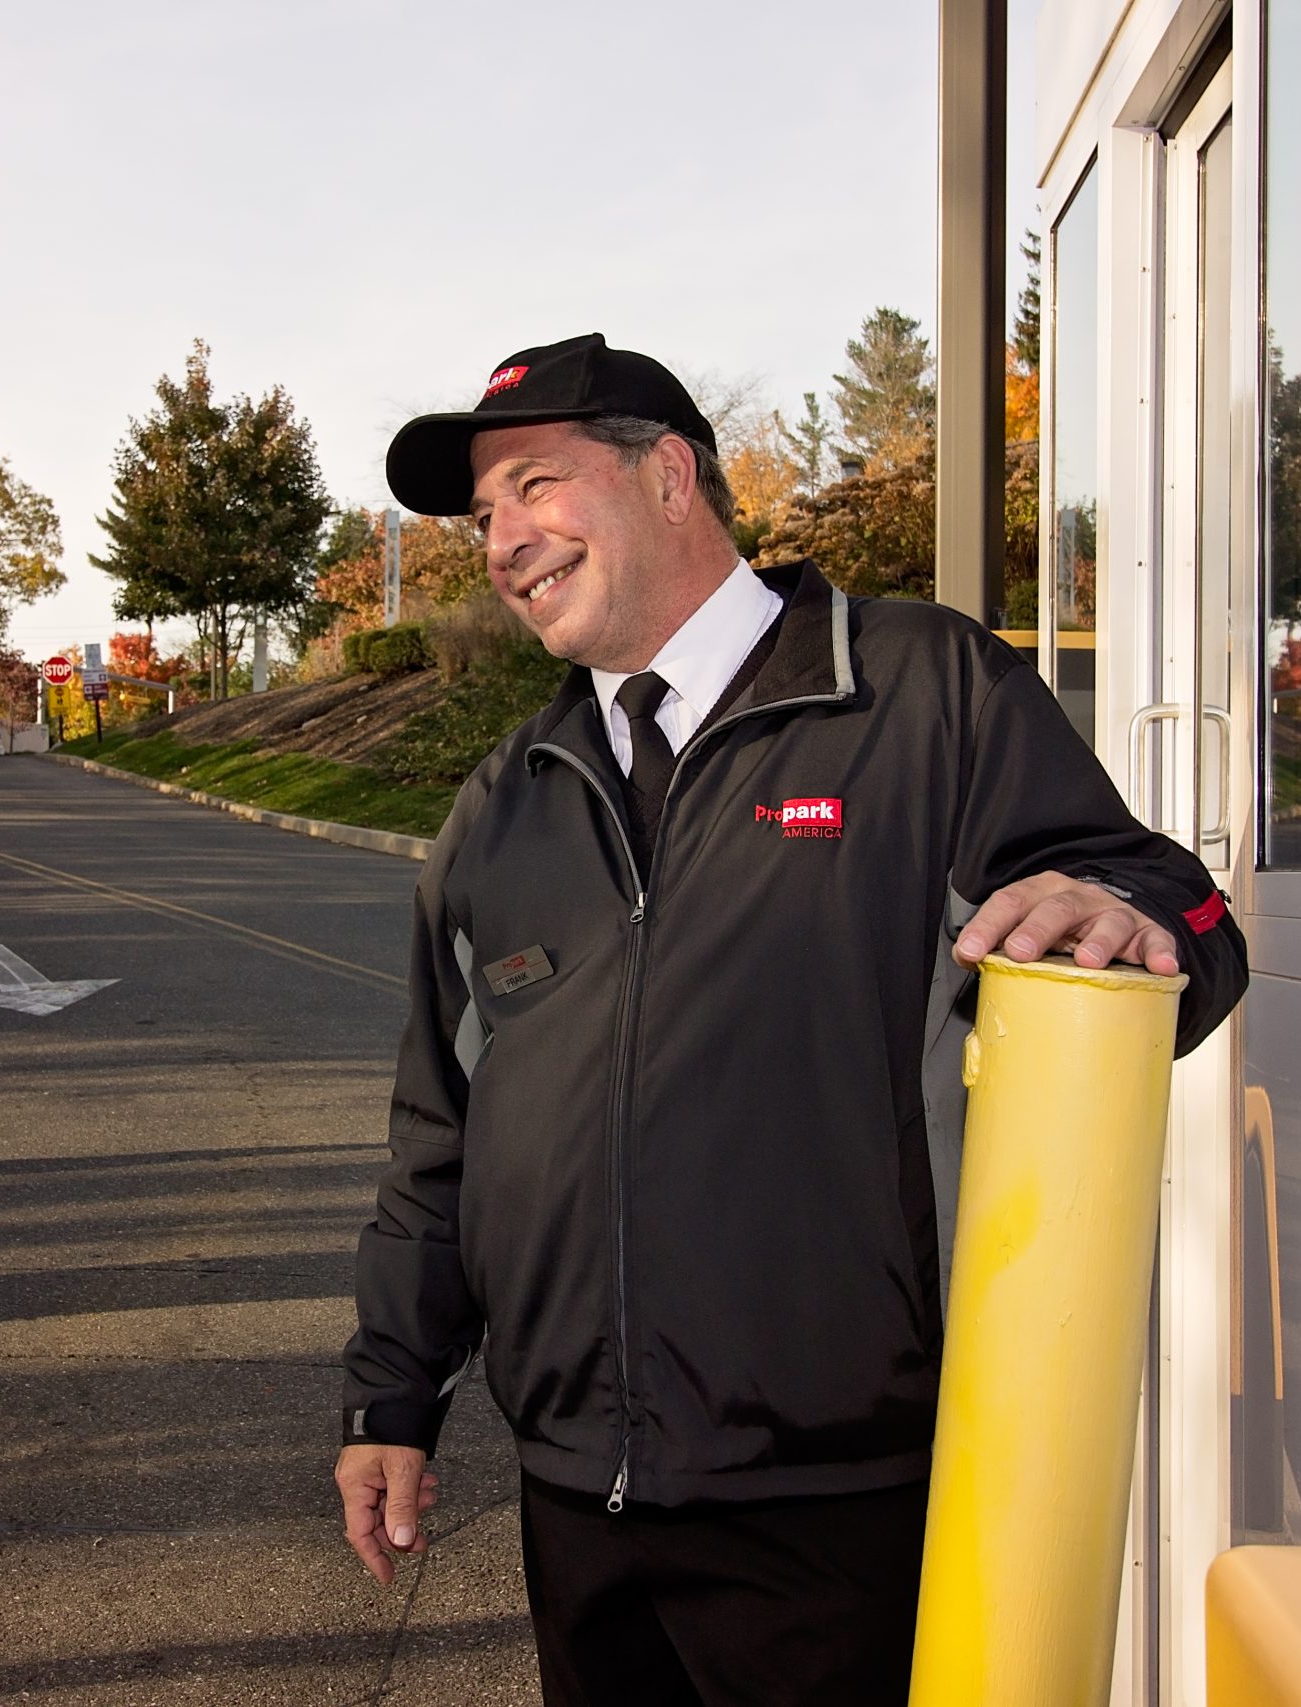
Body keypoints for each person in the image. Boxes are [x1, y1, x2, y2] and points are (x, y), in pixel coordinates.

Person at [334, 334, 1249, 1705]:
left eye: (534, 486)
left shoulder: (918, 690)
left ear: (670, 477)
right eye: (481, 517)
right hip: (579, 1504)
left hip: (846, 1502)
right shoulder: (506, 800)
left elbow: (1171, 901)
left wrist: (1126, 916)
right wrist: (390, 1398)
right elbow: (440, 1139)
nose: (503, 541)